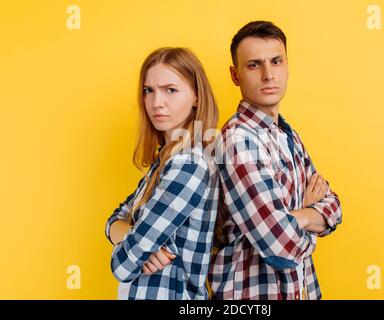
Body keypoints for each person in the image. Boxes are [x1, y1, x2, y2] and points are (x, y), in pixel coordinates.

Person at [208, 21, 343, 300]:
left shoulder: (288, 134)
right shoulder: (238, 140)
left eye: (276, 61)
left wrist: (295, 217)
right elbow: (281, 246)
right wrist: (308, 214)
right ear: (235, 75)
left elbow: (335, 207)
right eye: (254, 65)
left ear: (287, 66)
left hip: (300, 289)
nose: (269, 74)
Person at [104, 47, 219, 300]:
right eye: (149, 90)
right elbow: (115, 218)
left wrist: (134, 245)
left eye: (171, 90)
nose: (157, 102)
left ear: (196, 97)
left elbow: (122, 266)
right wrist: (135, 240)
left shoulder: (188, 164)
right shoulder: (165, 160)